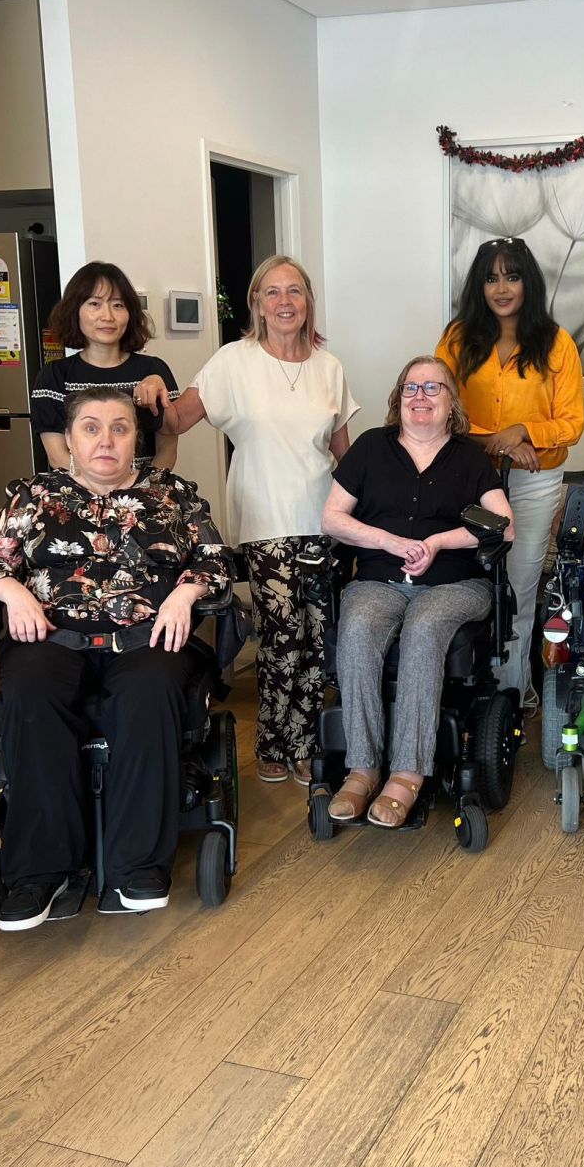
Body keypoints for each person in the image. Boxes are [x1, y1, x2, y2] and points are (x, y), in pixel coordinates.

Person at [0, 386, 234, 930]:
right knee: (30, 692)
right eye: (90, 427)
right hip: (51, 636)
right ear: (68, 440)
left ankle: (139, 864)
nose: (105, 440)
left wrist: (184, 594)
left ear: (137, 438)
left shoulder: (173, 495)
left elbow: (215, 560)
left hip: (146, 637)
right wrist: (13, 592)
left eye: (120, 427)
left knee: (147, 693)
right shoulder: (34, 494)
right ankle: (40, 873)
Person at [136, 255, 358, 785]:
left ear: (308, 303)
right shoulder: (233, 362)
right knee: (282, 634)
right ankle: (274, 741)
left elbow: (345, 455)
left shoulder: (330, 368)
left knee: (316, 633)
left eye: (295, 292)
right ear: (257, 303)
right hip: (264, 519)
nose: (284, 302)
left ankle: (301, 743)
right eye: (272, 292)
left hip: (323, 520)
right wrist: (149, 383)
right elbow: (176, 419)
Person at [321, 356, 513, 827]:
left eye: (433, 388)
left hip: (456, 583)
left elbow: (503, 529)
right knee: (360, 623)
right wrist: (389, 541)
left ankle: (407, 774)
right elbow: (332, 519)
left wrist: (437, 541)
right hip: (379, 578)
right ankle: (362, 767)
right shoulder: (370, 448)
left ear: (452, 403)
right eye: (411, 388)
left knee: (424, 628)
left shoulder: (470, 459)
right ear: (397, 400)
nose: (420, 397)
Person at [436, 237, 584, 710]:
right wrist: (496, 441)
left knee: (519, 584)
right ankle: (463, 686)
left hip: (535, 482)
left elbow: (572, 423)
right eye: (491, 277)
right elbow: (438, 406)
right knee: (465, 578)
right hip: (468, 475)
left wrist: (523, 431)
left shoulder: (557, 342)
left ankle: (513, 690)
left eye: (512, 276)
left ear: (529, 283)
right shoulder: (458, 338)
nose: (501, 287)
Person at [31, 260, 179, 471]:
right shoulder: (54, 376)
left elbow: (168, 449)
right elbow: (58, 457)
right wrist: (104, 497)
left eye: (118, 305)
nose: (108, 316)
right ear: (75, 311)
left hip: (144, 498)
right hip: (79, 498)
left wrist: (140, 495)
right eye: (94, 304)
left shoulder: (154, 371)